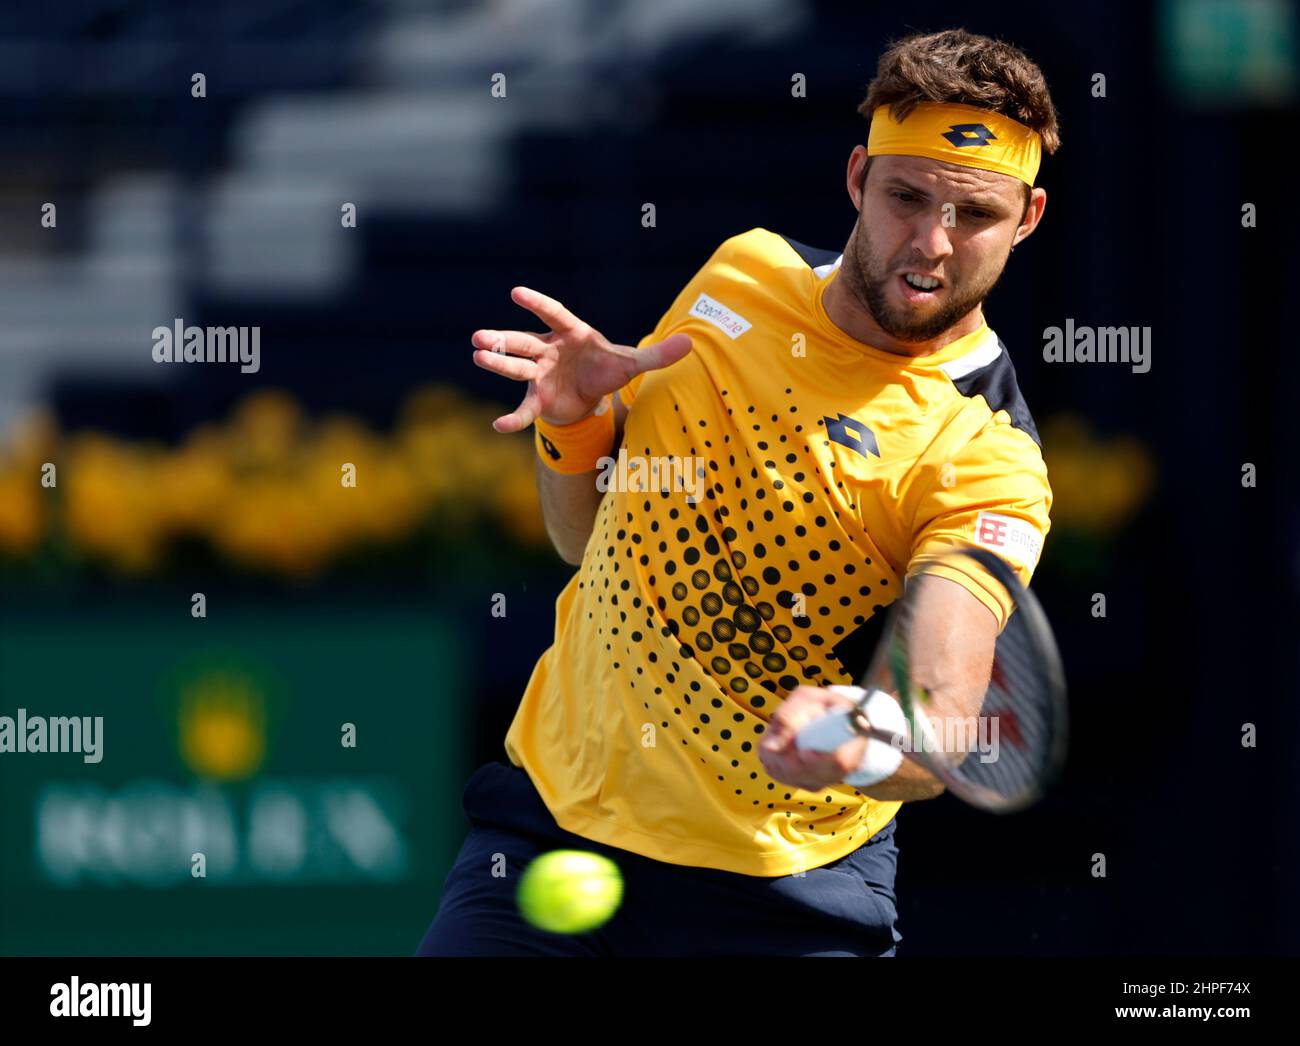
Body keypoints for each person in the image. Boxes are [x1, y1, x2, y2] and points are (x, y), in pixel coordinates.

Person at [418, 27, 1060, 957]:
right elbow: (581, 538)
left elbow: (939, 722)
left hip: (781, 901)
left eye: (975, 215)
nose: (931, 242)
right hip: (548, 828)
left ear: (1029, 217)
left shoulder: (987, 457)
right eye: (906, 197)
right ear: (855, 178)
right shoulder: (741, 274)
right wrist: (573, 426)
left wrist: (859, 739)